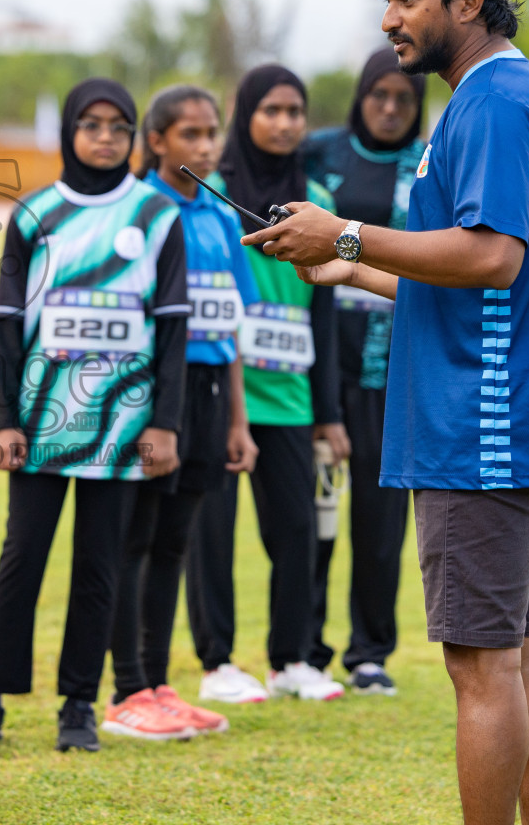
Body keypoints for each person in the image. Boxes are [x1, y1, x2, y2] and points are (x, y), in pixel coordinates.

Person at [249, 0, 529, 825]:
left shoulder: (485, 103)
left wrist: (350, 228)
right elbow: (483, 279)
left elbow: (492, 257)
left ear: (468, 0)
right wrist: (352, 265)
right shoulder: (522, 98)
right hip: (521, 412)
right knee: (523, 651)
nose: (388, 19)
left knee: (482, 664)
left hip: (481, 420)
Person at [0, 77, 189, 754]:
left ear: (134, 135)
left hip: (122, 426)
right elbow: (9, 327)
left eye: (119, 125)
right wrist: (3, 420)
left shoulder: (155, 216)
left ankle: (79, 706)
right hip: (41, 426)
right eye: (92, 123)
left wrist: (165, 424)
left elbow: (172, 331)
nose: (106, 136)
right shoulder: (34, 215)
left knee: (100, 568)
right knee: (20, 560)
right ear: (69, 131)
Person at [184, 65, 349, 704]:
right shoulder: (212, 193)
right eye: (272, 110)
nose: (286, 124)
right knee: (213, 532)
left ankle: (291, 659)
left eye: (296, 112)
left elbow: (327, 309)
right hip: (224, 396)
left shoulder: (315, 202)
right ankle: (218, 661)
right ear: (246, 115)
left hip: (292, 398)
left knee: (296, 530)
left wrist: (330, 413)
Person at [101, 85, 260, 741]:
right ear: (157, 141)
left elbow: (231, 324)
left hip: (209, 393)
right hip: (150, 393)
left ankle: (160, 684)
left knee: (175, 540)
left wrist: (238, 421)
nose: (205, 145)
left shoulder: (222, 216)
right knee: (134, 539)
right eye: (189, 134)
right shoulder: (139, 211)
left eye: (211, 132)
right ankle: (124, 689)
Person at [301, 49, 427, 695]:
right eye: (378, 95)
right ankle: (304, 646)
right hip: (319, 364)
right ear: (360, 97)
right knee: (314, 513)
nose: (389, 108)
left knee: (380, 520)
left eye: (403, 98)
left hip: (389, 366)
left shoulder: (428, 164)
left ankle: (369, 652)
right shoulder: (319, 153)